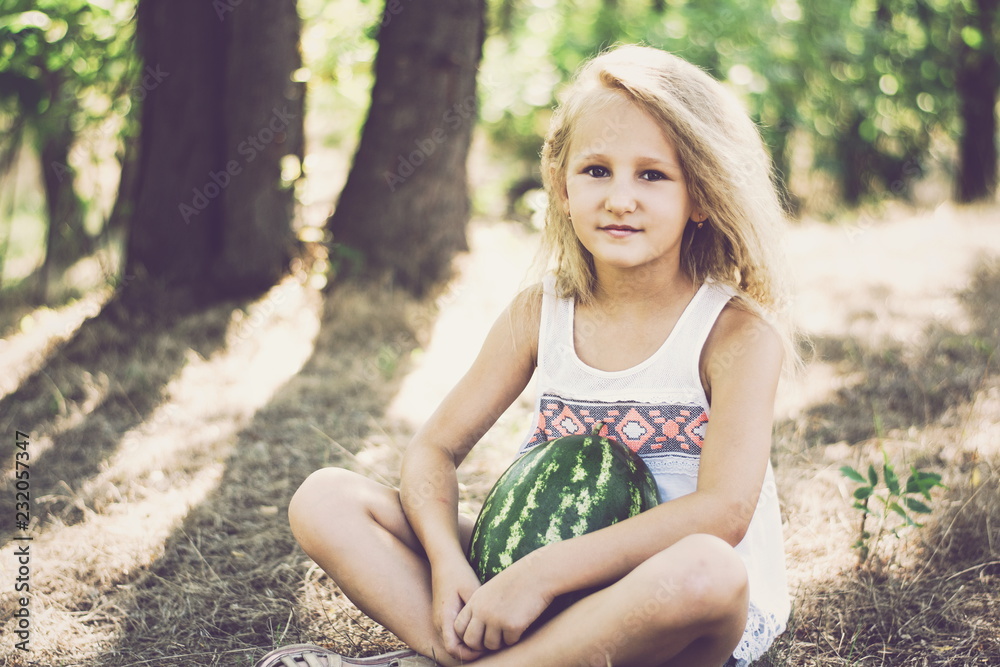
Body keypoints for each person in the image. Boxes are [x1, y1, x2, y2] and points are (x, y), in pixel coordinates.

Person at [256, 44, 796, 667]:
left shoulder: (735, 336)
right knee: (325, 498)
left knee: (709, 570)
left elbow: (721, 514)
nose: (620, 198)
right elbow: (433, 450)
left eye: (652, 174)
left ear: (699, 197)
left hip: (661, 607)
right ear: (562, 187)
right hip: (532, 583)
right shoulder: (540, 314)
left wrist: (543, 573)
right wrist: (447, 566)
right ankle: (460, 650)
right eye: (596, 170)